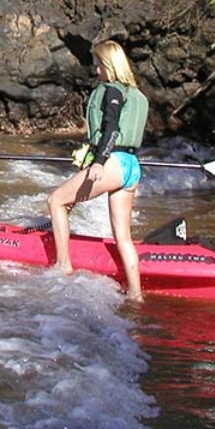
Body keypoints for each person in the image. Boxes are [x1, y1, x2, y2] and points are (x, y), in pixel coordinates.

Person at [46, 40, 148, 301]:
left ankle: (64, 264)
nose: (96, 71)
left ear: (108, 65)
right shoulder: (138, 95)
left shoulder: (111, 91)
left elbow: (111, 129)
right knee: (123, 236)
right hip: (132, 166)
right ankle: (136, 294)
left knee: (56, 200)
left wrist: (99, 161)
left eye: (98, 65)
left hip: (112, 162)